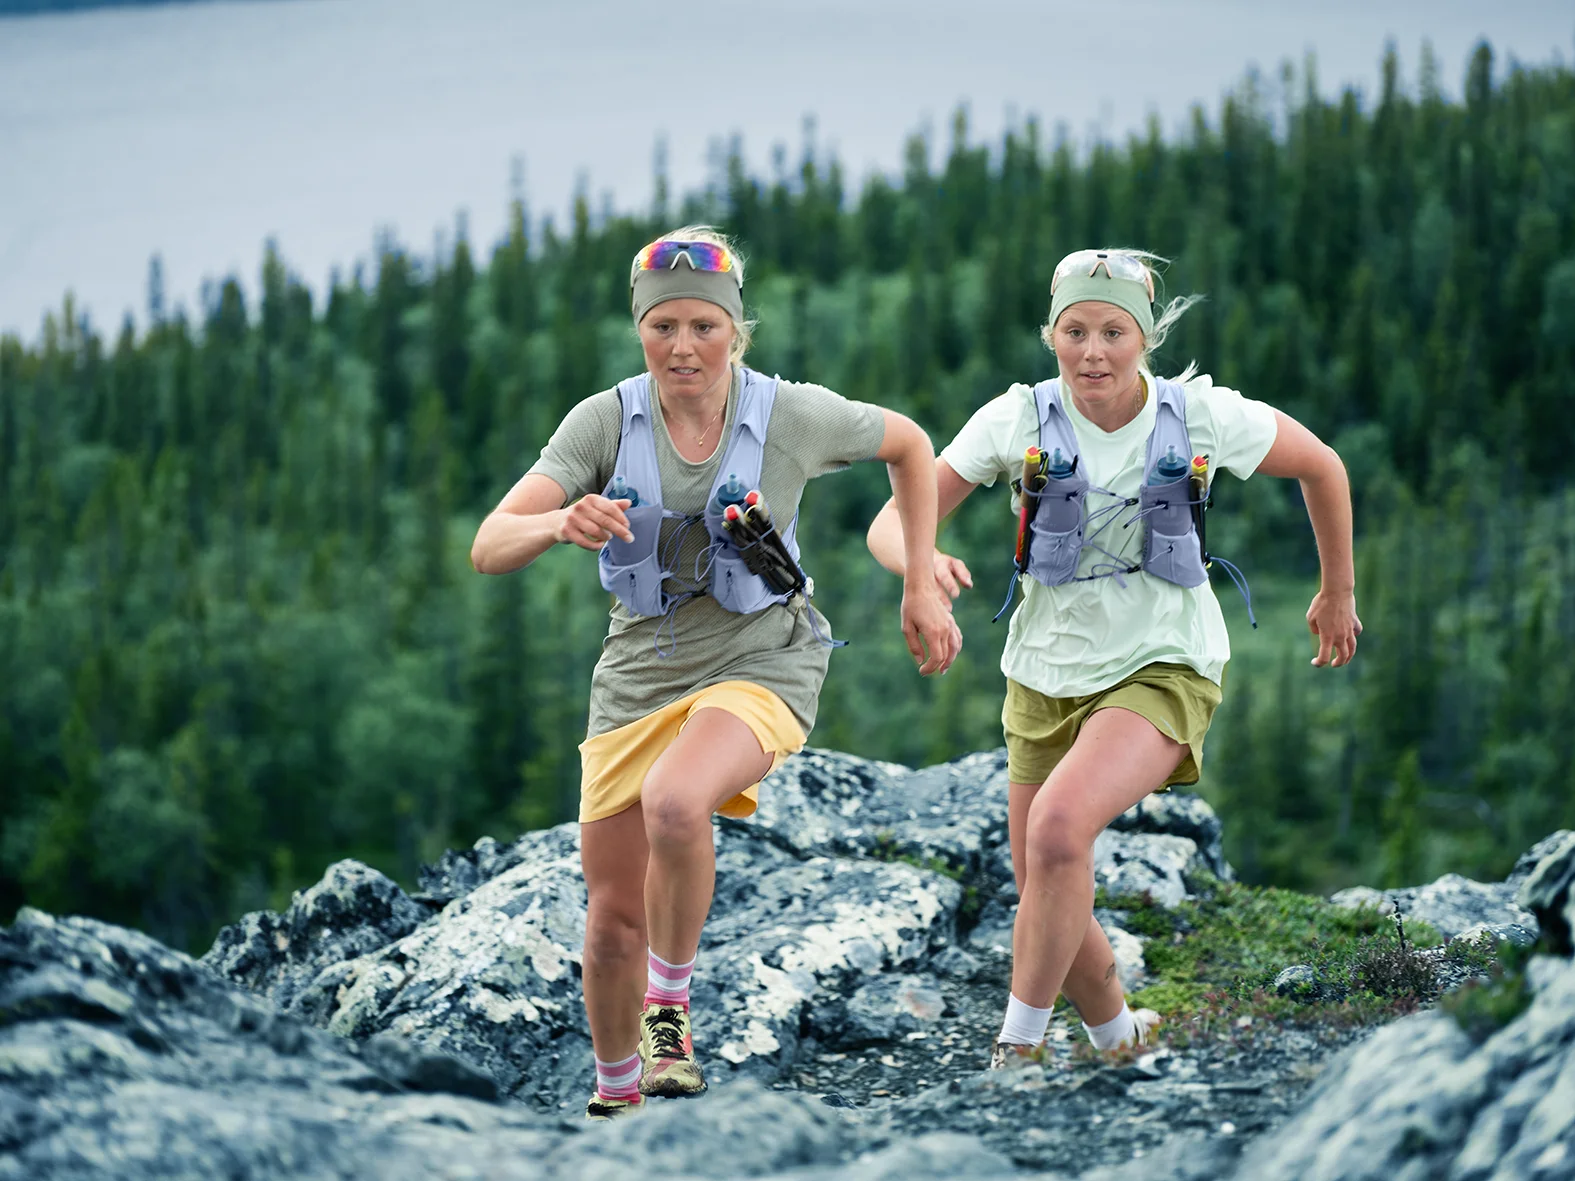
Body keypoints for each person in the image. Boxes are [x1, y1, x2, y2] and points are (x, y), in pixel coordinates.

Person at [470, 226, 959, 1119]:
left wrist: (919, 582)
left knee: (675, 800)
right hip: (636, 675)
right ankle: (617, 1101)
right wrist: (556, 522)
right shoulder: (603, 421)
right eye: (662, 326)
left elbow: (912, 445)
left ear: (736, 329)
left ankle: (669, 1016)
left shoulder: (790, 415)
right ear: (639, 329)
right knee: (611, 924)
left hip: (763, 656)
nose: (683, 346)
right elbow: (489, 544)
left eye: (704, 325)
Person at [864, 248, 1361, 1066]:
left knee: (1059, 828)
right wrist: (919, 570)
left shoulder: (1198, 415)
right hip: (1043, 668)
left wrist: (1336, 590)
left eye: (1112, 332)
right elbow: (893, 520)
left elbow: (1322, 466)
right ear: (1050, 334)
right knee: (1044, 875)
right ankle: (1118, 1036)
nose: (1091, 351)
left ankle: (1016, 1051)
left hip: (1163, 658)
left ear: (1145, 338)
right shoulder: (1017, 418)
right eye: (1074, 331)